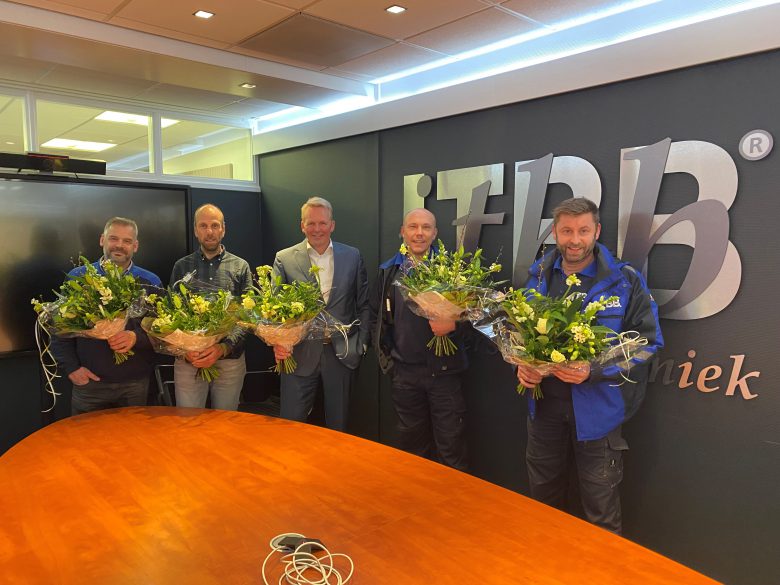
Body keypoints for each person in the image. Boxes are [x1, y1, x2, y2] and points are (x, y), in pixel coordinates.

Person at [516, 197, 663, 534]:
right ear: (555, 233)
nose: (575, 240)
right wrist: (522, 365)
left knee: (601, 515)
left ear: (596, 231)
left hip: (598, 415)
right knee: (542, 505)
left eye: (583, 231)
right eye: (566, 231)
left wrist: (594, 370)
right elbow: (518, 333)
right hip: (543, 413)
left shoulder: (625, 280)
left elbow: (647, 343)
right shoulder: (538, 276)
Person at [369, 208, 468, 471]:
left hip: (445, 375)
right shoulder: (388, 271)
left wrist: (453, 325)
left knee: (451, 449)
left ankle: (451, 496)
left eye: (426, 227)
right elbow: (375, 317)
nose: (419, 233)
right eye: (413, 227)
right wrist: (388, 362)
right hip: (404, 375)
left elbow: (474, 320)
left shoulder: (452, 272)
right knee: (411, 451)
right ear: (402, 232)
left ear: (435, 233)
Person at [272, 197, 370, 432]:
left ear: (332, 225)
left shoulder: (352, 256)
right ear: (302, 225)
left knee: (339, 427)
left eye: (322, 223)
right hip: (298, 354)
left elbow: (364, 304)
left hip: (342, 354)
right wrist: (278, 341)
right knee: (291, 426)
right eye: (311, 223)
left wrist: (361, 344)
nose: (317, 229)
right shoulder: (284, 258)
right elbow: (274, 308)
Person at [52, 217, 162, 415]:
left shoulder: (150, 281)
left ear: (135, 246)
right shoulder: (79, 278)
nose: (119, 245)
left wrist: (136, 337)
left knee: (134, 435)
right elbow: (60, 327)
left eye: (127, 241)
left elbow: (161, 329)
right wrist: (72, 368)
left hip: (135, 384)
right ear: (102, 240)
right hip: (89, 384)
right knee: (86, 435)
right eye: (113, 238)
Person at [170, 203, 251, 410]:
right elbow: (172, 314)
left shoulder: (241, 267)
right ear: (195, 230)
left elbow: (247, 316)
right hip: (190, 360)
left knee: (225, 423)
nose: (210, 231)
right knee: (188, 421)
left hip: (230, 361)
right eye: (203, 226)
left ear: (223, 229)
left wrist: (223, 348)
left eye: (215, 225)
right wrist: (185, 350)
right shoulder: (181, 266)